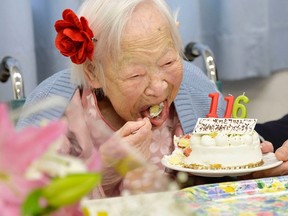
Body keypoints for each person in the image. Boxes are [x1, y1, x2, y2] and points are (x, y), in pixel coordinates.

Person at [17, 0, 227, 198]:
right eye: (135, 75)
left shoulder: (195, 89)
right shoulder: (52, 112)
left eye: (168, 62)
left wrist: (251, 169)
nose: (159, 87)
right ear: (93, 73)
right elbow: (22, 203)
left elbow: (233, 167)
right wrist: (104, 172)